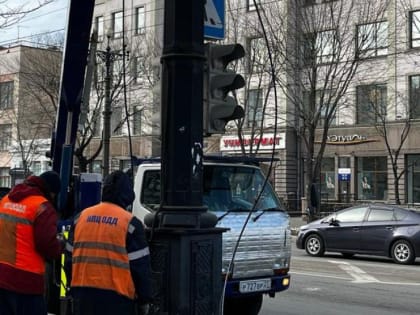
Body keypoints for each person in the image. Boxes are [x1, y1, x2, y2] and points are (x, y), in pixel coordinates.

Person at [67, 170, 152, 315]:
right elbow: (140, 269)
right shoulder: (130, 224)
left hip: (82, 297)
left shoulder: (80, 218)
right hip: (117, 300)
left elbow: (69, 258)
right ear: (128, 195)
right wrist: (145, 300)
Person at [0, 171, 63, 315]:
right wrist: (60, 247)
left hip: (2, 279)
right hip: (27, 283)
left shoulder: (6, 199)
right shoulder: (42, 207)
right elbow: (46, 244)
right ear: (51, 192)